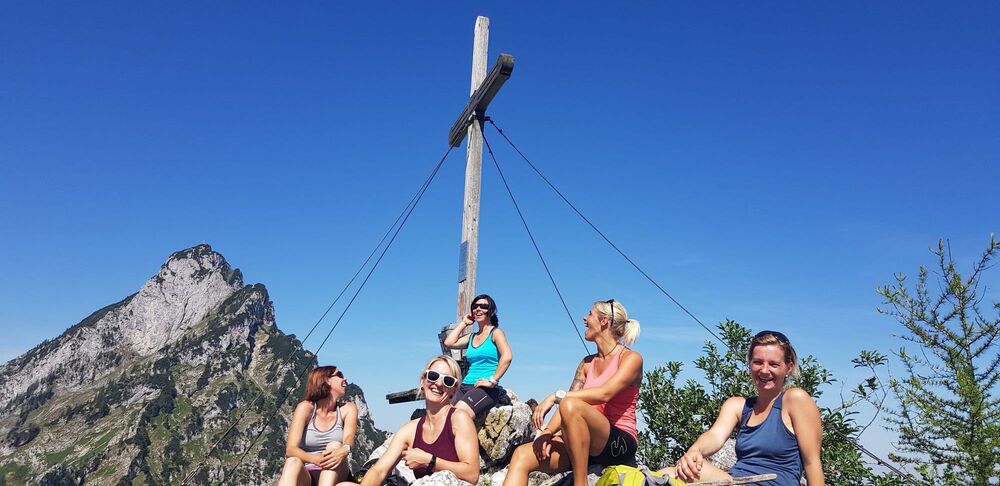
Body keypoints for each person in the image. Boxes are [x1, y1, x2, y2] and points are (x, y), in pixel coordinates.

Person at [657, 331, 824, 486]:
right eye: (758, 362)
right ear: (750, 364)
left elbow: (812, 463)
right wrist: (696, 450)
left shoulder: (795, 399)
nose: (764, 370)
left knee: (682, 473)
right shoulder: (738, 406)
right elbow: (715, 435)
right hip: (738, 480)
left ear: (788, 367)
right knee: (666, 474)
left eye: (773, 364)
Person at [504, 299, 642, 486]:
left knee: (570, 403)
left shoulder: (631, 358)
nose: (585, 318)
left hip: (618, 442)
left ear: (604, 321)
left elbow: (604, 394)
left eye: (590, 314)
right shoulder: (586, 363)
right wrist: (547, 432)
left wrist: (555, 396)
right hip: (583, 445)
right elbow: (568, 405)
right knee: (522, 455)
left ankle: (580, 482)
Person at [357, 355, 480, 486]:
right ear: (423, 381)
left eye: (448, 381)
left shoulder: (459, 418)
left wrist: (429, 461)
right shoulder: (410, 430)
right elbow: (378, 471)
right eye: (433, 376)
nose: (439, 384)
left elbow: (472, 474)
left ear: (454, 389)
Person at [279, 365, 358, 486]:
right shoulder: (305, 408)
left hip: (337, 471)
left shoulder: (348, 409)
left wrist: (344, 449)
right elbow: (291, 450)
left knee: (334, 445)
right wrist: (316, 459)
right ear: (326, 380)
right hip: (308, 474)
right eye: (339, 375)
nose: (344, 379)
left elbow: (349, 438)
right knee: (292, 462)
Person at [443, 294, 513, 419]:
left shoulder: (496, 333)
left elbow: (507, 356)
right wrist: (464, 323)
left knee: (457, 415)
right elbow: (449, 343)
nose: (478, 309)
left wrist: (492, 381)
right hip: (465, 386)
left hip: (484, 388)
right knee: (444, 414)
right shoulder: (471, 337)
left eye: (483, 306)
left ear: (491, 311)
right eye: (475, 306)